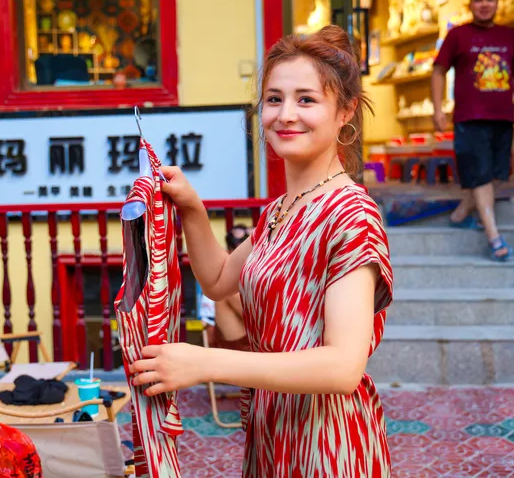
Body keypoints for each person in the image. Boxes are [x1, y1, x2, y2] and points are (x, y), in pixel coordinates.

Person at [130, 25, 394, 477]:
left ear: (346, 111)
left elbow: (343, 367)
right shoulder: (281, 209)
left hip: (328, 442)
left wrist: (206, 362)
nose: (285, 115)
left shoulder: (350, 213)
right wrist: (192, 207)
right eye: (274, 99)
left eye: (306, 100)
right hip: (273, 429)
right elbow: (217, 281)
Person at [432, 0, 514, 261]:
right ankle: (494, 237)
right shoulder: (458, 35)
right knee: (479, 174)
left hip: (503, 116)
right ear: (470, 4)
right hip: (470, 117)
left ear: (497, 2)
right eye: (479, 0)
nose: (485, 5)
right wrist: (438, 109)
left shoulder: (509, 36)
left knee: (497, 175)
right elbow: (438, 71)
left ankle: (461, 213)